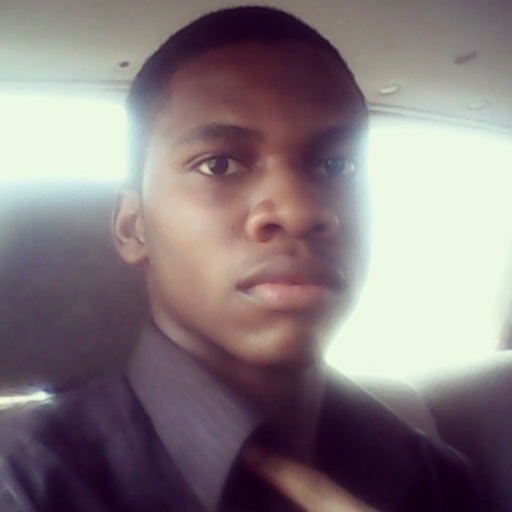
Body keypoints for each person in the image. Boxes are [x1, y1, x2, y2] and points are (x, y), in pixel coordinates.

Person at [0, 6, 482, 512]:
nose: (298, 211)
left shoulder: (438, 477)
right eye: (219, 164)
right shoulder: (26, 485)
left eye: (336, 165)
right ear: (133, 227)